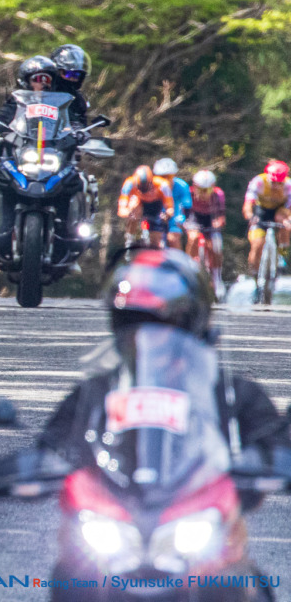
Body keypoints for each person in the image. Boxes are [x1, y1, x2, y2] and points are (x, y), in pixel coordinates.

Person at [37, 248, 291, 470]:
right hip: (111, 506)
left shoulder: (234, 396)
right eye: (133, 324)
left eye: (164, 325)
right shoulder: (92, 395)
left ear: (192, 326)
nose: (147, 339)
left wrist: (267, 461)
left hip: (205, 505)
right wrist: (37, 464)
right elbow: (45, 451)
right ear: (117, 327)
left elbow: (277, 448)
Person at [243, 159, 291, 277]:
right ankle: (253, 273)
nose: (275, 186)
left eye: (279, 183)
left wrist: (289, 220)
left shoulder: (289, 185)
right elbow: (248, 204)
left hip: (280, 211)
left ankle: (282, 255)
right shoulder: (258, 181)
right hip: (261, 212)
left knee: (284, 222)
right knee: (257, 244)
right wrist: (250, 216)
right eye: (273, 182)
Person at [117, 165, 174, 247]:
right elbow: (122, 206)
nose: (143, 190)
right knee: (134, 205)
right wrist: (129, 213)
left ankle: (155, 243)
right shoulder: (129, 183)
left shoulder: (163, 185)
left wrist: (167, 214)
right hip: (139, 202)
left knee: (156, 241)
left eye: (146, 186)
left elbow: (170, 207)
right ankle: (130, 239)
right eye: (140, 187)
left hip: (156, 205)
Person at [185, 169, 226, 281]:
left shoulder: (218, 194)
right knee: (193, 238)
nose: (204, 193)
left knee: (216, 247)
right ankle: (189, 267)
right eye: (201, 190)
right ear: (195, 186)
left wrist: (219, 222)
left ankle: (216, 276)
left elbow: (221, 215)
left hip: (210, 219)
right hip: (194, 219)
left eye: (208, 190)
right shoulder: (189, 193)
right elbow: (184, 213)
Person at [49, 44, 92, 128]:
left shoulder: (78, 100)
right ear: (57, 71)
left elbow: (84, 127)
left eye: (76, 75)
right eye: (68, 74)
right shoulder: (43, 92)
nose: (72, 78)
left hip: (67, 136)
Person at [153, 157, 191, 249]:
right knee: (153, 241)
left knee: (173, 239)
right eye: (162, 177)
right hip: (156, 217)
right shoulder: (152, 186)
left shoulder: (182, 186)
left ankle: (177, 257)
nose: (165, 180)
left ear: (174, 175)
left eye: (169, 177)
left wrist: (181, 221)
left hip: (174, 219)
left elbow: (187, 207)